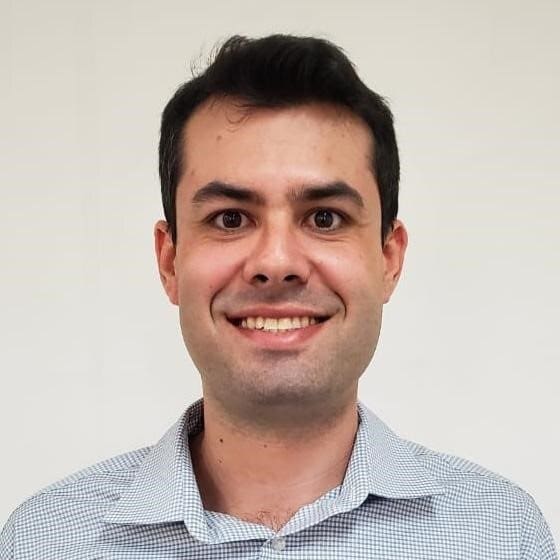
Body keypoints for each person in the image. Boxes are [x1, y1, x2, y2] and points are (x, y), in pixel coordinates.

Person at [0, 34, 556, 560]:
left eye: (324, 217)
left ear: (389, 258)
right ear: (170, 260)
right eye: (231, 218)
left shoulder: (503, 535)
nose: (276, 263)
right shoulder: (44, 541)